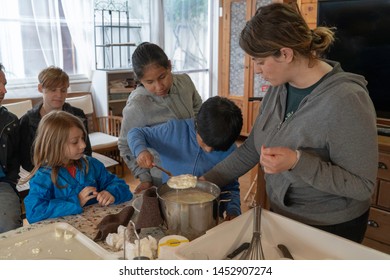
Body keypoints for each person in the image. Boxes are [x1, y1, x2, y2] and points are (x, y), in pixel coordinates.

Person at [202, 3, 378, 243]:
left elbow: (362, 186)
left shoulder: (346, 100)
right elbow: (254, 148)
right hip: (283, 214)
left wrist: (297, 161)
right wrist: (206, 182)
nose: (256, 70)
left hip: (330, 227)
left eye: (260, 62)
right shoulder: (279, 87)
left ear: (285, 53)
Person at [128, 96, 243, 220]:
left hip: (208, 216)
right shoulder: (174, 131)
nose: (209, 150)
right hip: (170, 212)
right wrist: (141, 151)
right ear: (197, 124)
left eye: (217, 148)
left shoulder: (230, 150)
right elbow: (136, 133)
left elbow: (231, 188)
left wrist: (233, 210)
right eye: (204, 142)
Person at [118, 42, 203, 193]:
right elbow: (125, 145)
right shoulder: (138, 104)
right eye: (149, 82)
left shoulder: (185, 82)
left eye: (162, 77)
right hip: (162, 177)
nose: (159, 86)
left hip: (197, 169)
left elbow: (198, 109)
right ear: (139, 80)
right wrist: (144, 177)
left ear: (169, 66)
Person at [23, 111, 132, 224]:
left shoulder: (92, 165)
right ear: (54, 145)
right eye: (75, 142)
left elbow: (121, 186)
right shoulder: (43, 177)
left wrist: (112, 193)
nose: (83, 145)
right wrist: (75, 201)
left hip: (97, 226)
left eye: (83, 138)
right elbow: (34, 212)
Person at [19, 66, 92, 172]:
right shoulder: (27, 121)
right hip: (44, 176)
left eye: (63, 90)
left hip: (76, 173)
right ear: (40, 88)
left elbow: (86, 151)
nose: (59, 95)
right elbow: (27, 161)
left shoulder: (77, 115)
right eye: (53, 90)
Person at [0, 63, 22, 233]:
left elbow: (15, 159)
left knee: (11, 229)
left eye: (5, 84)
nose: (3, 90)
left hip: (3, 185)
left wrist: (11, 180)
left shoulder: (10, 121)